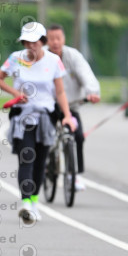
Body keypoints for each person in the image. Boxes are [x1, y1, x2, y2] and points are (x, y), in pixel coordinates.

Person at [0, 22, 75, 223]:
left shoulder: (54, 61)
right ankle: (26, 203)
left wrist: (66, 115)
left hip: (46, 116)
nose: (30, 46)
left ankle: (35, 201)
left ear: (43, 42)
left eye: (34, 42)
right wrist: (15, 93)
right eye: (26, 42)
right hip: (23, 117)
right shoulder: (15, 58)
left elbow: (60, 91)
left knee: (41, 162)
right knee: (26, 159)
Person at [46, 24, 101, 191]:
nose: (55, 42)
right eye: (51, 38)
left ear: (64, 39)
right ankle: (46, 163)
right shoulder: (42, 56)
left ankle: (75, 175)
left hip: (71, 106)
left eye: (59, 38)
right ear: (46, 40)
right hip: (48, 105)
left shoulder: (73, 56)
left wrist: (92, 92)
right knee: (43, 136)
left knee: (78, 136)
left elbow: (86, 74)